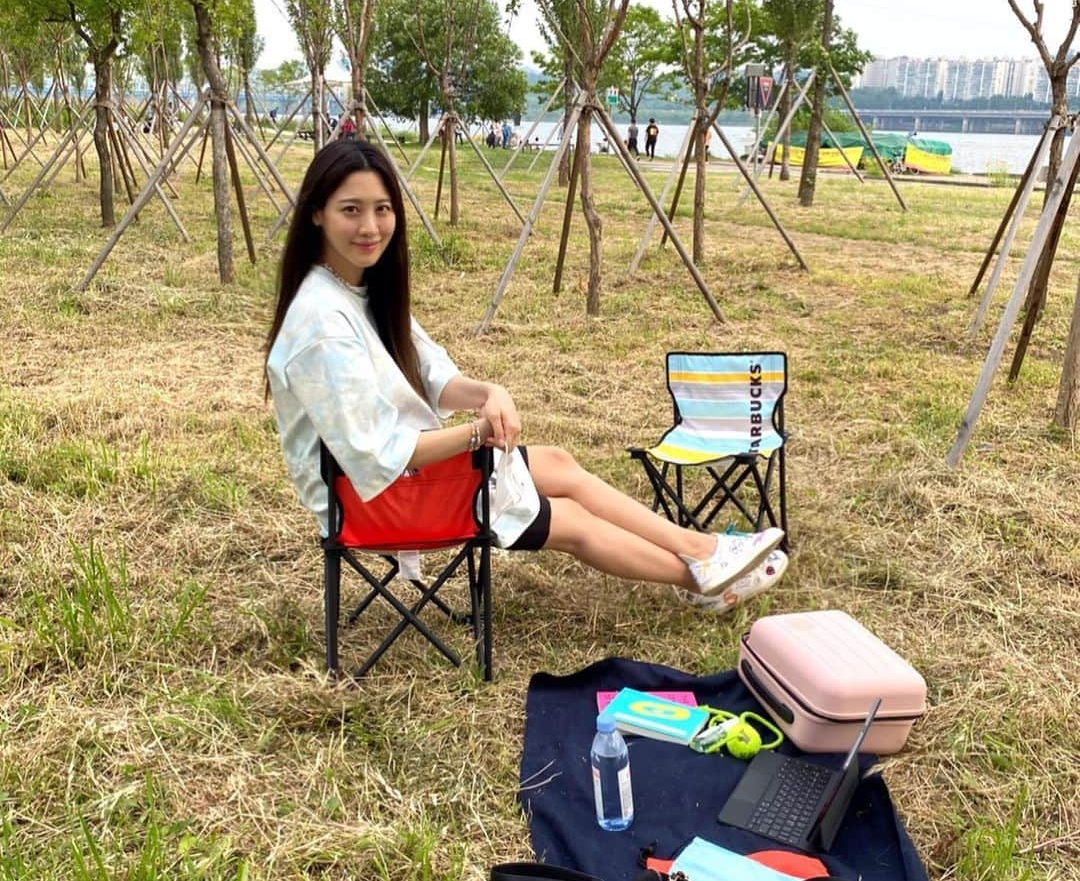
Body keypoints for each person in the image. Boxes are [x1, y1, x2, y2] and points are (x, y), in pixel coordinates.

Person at [265, 140, 785, 611]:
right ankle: (708, 577)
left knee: (558, 462)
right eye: (350, 211)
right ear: (316, 215)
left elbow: (433, 376)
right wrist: (476, 433)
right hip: (368, 501)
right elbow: (376, 451)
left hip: (394, 481)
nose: (370, 227)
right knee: (571, 522)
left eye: (382, 210)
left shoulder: (359, 290)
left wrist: (491, 393)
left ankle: (703, 552)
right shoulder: (322, 324)